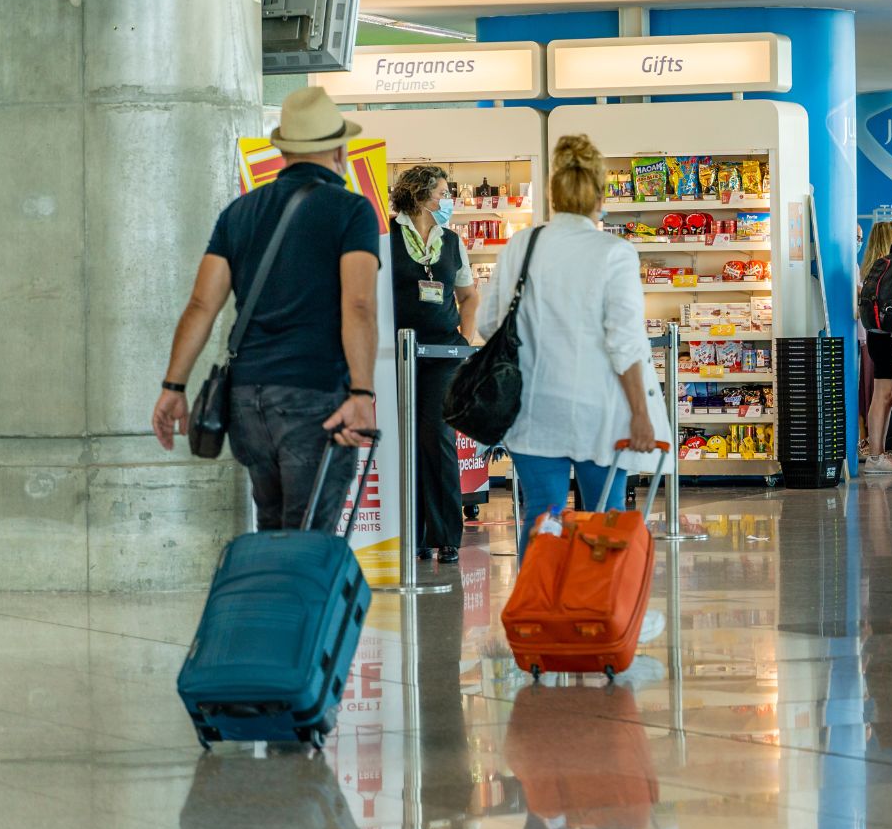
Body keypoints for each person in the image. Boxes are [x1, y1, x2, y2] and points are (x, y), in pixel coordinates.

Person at [151, 86, 378, 532]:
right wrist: (362, 394)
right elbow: (358, 303)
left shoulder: (240, 212)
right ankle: (297, 605)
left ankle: (272, 601)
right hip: (313, 397)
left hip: (247, 401)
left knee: (272, 529)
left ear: (286, 150)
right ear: (338, 149)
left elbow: (201, 305)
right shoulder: (352, 212)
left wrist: (173, 386)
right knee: (310, 534)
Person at [476, 134, 665, 557]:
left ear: (553, 192)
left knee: (542, 520)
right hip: (602, 413)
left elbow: (488, 323)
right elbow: (625, 342)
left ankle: (536, 617)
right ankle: (597, 616)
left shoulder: (522, 246)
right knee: (605, 524)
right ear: (600, 195)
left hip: (535, 410)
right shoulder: (614, 252)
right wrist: (641, 414)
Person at [388, 165, 480, 563]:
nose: (447, 200)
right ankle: (415, 535)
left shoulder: (452, 242)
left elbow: (469, 296)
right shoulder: (384, 239)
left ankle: (446, 536)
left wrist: (466, 342)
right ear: (420, 195)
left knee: (437, 438)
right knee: (403, 440)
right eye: (442, 193)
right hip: (396, 352)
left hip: (443, 352)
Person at [858, 221, 892, 476]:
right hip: (886, 336)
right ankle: (875, 454)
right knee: (883, 394)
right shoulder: (890, 265)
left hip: (879, 335)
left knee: (888, 395)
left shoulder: (873, 268)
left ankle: (879, 450)